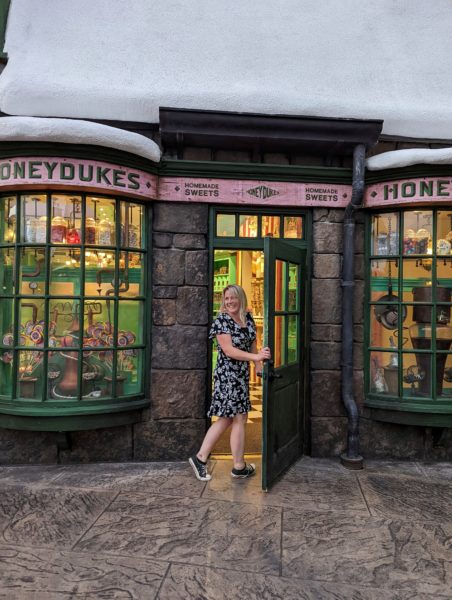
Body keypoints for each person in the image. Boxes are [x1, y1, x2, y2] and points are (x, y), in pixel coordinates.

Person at [189, 284, 271, 481]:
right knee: (236, 418)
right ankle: (226, 463)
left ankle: (229, 463)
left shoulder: (247, 318)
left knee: (232, 418)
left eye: (233, 298)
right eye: (226, 299)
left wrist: (258, 365)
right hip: (227, 376)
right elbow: (229, 351)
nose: (230, 302)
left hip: (241, 376)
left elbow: (252, 342)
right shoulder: (222, 321)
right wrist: (255, 357)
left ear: (241, 298)